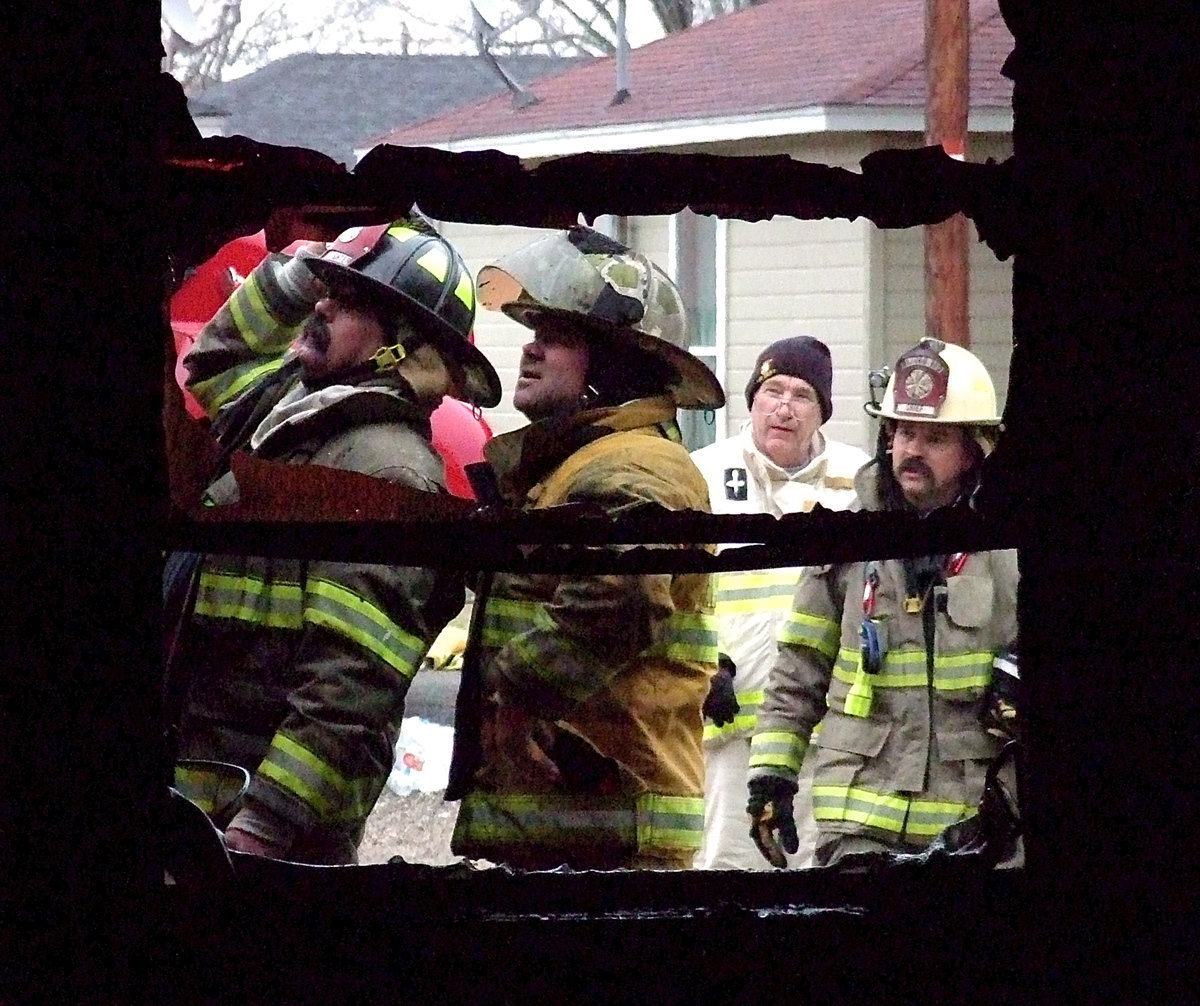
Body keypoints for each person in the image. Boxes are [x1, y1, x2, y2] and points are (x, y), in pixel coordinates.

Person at [171, 215, 501, 864]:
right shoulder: (292, 410)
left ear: (401, 345)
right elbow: (214, 363)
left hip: (265, 830)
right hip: (208, 793)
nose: (321, 306)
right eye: (326, 292)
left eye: (348, 300)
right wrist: (300, 273)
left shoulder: (386, 467)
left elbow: (351, 683)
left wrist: (264, 826)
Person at [447, 225, 725, 870]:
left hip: (611, 835)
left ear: (615, 362)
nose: (530, 348)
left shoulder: (637, 466)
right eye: (533, 332)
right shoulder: (571, 468)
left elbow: (619, 595)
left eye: (558, 336)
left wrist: (516, 696)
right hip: (571, 827)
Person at [747, 337, 1019, 868]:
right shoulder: (847, 537)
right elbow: (799, 670)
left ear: (974, 450)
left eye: (935, 438)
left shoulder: (1009, 546)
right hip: (858, 823)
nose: (913, 450)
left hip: (974, 826)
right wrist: (771, 777)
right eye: (904, 432)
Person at [689, 335, 869, 870]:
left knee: (817, 880)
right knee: (725, 875)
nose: (784, 408)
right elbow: (674, 591)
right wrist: (703, 662)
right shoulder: (702, 474)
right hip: (729, 734)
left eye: (802, 395)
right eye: (772, 391)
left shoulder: (859, 483)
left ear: (822, 411)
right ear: (753, 399)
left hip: (827, 735)